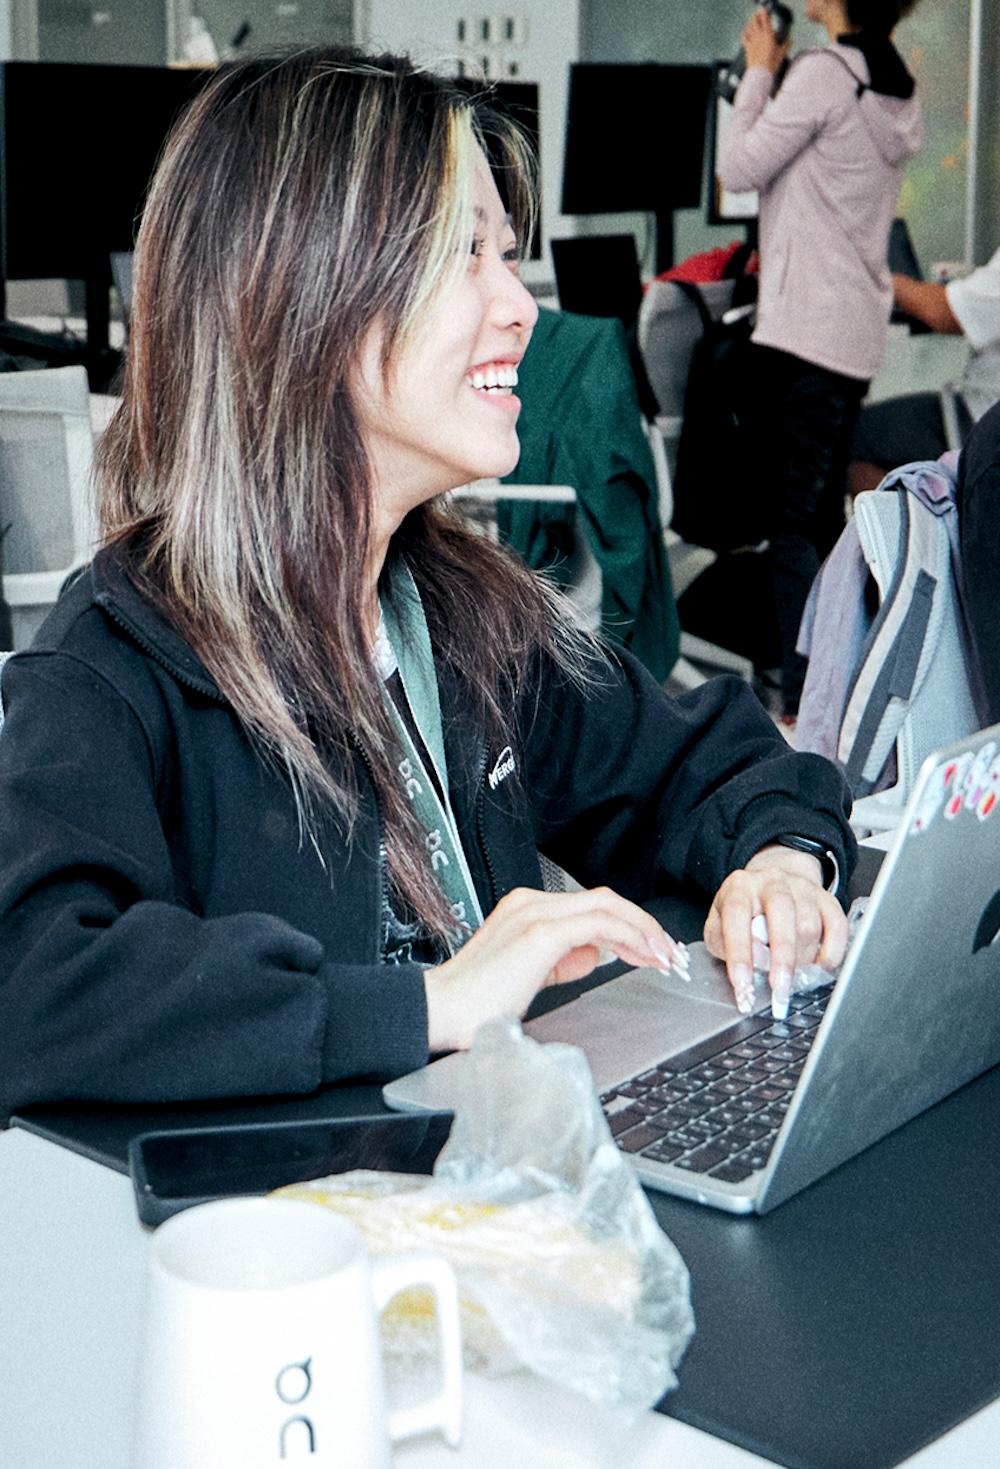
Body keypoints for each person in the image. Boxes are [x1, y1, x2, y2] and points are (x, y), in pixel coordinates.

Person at [0, 48, 856, 1114]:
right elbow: (35, 985)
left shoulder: (460, 615)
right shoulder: (113, 656)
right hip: (301, 1209)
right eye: (465, 256)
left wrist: (781, 863)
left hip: (482, 1176)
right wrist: (430, 1002)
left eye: (509, 256)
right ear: (301, 298)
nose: (519, 306)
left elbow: (704, 764)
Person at [719, 0, 922, 718]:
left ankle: (807, 706)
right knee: (824, 519)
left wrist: (757, 72)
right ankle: (846, 685)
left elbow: (737, 168)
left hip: (802, 335)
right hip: (850, 337)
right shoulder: (894, 87)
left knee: (790, 529)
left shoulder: (824, 75)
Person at [850, 250, 1000, 495]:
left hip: (983, 421)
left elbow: (945, 312)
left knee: (860, 437)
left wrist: (887, 281)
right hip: (982, 408)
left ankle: (917, 520)